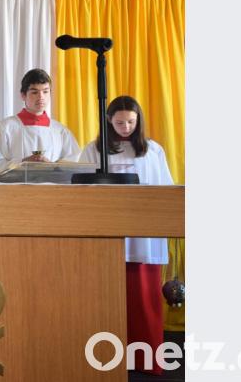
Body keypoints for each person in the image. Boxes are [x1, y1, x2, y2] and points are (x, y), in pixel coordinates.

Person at [79, 95, 173, 375]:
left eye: (131, 122)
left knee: (144, 299)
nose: (126, 127)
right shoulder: (94, 150)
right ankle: (107, 360)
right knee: (107, 299)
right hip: (106, 234)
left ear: (138, 121)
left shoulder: (152, 150)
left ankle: (147, 361)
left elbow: (165, 189)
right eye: (119, 122)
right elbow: (79, 189)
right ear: (109, 121)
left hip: (143, 236)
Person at [0, 68, 80, 173]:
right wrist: (23, 163)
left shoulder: (60, 130)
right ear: (23, 95)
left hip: (52, 187)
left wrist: (52, 166)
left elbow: (74, 163)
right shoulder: (4, 127)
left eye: (45, 91)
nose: (41, 97)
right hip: (15, 187)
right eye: (34, 92)